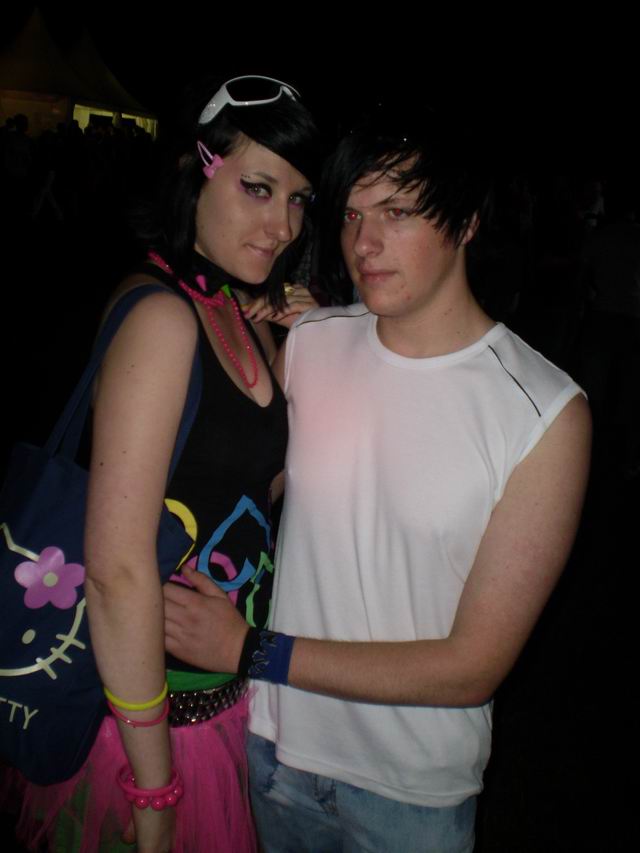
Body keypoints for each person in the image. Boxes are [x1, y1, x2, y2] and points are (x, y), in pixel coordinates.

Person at [163, 112, 592, 852]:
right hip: (273, 751)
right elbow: (241, 487)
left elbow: (471, 668)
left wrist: (249, 649)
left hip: (410, 795)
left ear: (467, 222)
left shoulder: (543, 412)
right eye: (352, 215)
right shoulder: (313, 342)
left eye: (397, 212)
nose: (363, 243)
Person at [10, 75, 319, 853]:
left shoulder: (240, 310)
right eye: (258, 188)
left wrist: (319, 343)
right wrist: (154, 791)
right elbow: (116, 569)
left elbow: (260, 489)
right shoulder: (162, 317)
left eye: (298, 199)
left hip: (224, 698)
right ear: (194, 170)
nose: (282, 224)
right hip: (144, 723)